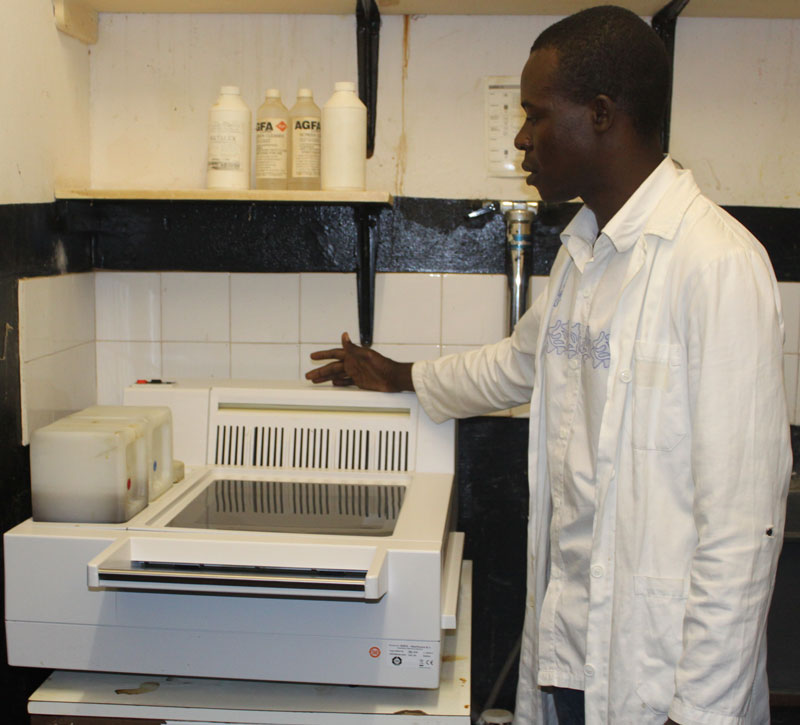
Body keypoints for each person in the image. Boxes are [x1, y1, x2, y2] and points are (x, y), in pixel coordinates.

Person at [305, 6, 791, 725]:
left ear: (600, 114)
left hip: (659, 681)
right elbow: (517, 363)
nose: (521, 136)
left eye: (535, 114)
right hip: (573, 653)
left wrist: (698, 714)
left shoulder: (717, 265)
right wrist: (402, 375)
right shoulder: (583, 254)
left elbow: (743, 530)